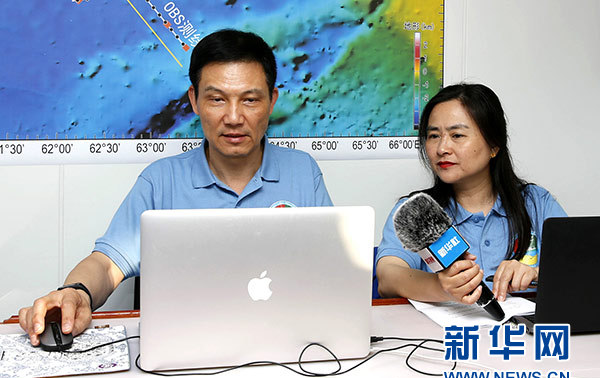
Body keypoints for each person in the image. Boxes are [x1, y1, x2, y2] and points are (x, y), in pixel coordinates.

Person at [19, 29, 332, 345]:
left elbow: (332, 265)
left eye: (250, 100)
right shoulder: (160, 181)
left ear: (272, 101)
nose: (234, 117)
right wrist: (76, 293)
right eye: (217, 99)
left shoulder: (303, 172)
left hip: (284, 343)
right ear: (194, 100)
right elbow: (106, 263)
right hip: (184, 348)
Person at [376, 83, 566, 305]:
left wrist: (536, 273)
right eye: (434, 135)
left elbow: (584, 266)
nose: (442, 148)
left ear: (494, 145)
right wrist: (441, 286)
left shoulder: (536, 202)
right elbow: (387, 277)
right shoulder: (417, 211)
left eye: (457, 135)